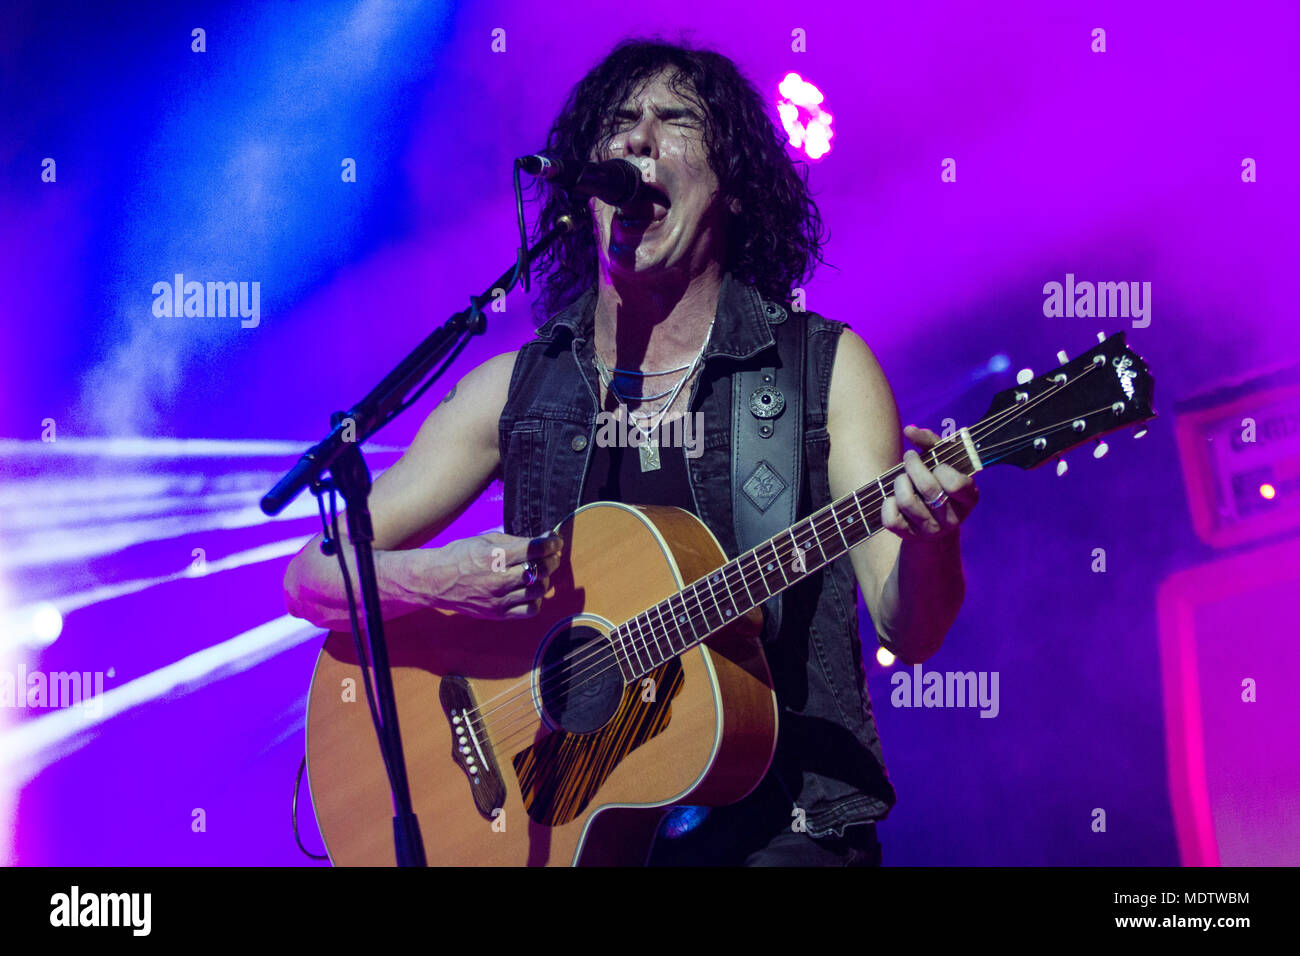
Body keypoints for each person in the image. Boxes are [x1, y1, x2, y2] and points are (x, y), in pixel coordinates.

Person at [283, 38, 979, 866]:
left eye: (672, 120)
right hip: (569, 833)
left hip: (785, 832)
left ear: (733, 191)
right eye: (617, 125)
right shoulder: (518, 386)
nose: (634, 141)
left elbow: (912, 624)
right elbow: (311, 576)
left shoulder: (819, 371)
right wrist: (444, 578)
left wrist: (934, 541)